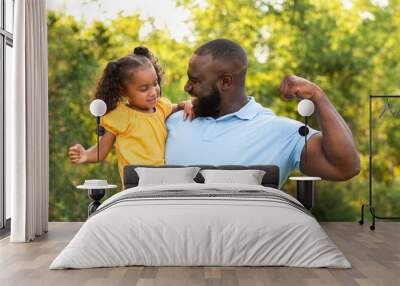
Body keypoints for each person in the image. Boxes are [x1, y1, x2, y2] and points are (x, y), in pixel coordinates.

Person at [165, 39, 360, 187]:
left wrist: (318, 96)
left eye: (195, 80)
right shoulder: (173, 120)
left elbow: (345, 167)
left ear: (226, 82)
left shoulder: (282, 132)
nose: (186, 87)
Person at [68, 47, 193, 183]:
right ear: (123, 91)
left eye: (155, 83)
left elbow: (176, 107)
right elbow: (101, 151)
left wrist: (185, 104)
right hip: (135, 183)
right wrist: (85, 155)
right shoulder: (119, 116)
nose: (153, 92)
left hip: (162, 179)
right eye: (144, 89)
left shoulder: (161, 107)